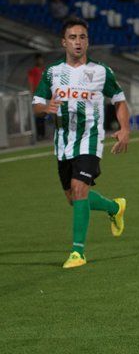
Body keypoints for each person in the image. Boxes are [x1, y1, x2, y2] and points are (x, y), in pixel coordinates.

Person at [31, 17, 130, 269]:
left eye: (82, 37)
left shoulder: (100, 71)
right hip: (63, 143)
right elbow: (36, 105)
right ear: (64, 42)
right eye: (73, 37)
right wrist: (46, 107)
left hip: (90, 139)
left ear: (88, 41)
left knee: (79, 188)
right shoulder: (53, 72)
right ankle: (114, 207)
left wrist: (125, 128)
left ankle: (78, 252)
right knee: (74, 199)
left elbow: (118, 99)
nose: (78, 42)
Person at [27, 54, 46, 140]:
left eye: (41, 59)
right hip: (37, 95)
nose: (41, 61)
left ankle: (43, 134)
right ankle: (39, 135)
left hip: (45, 95)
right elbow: (31, 83)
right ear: (36, 61)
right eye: (39, 60)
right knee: (38, 115)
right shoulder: (33, 71)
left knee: (45, 115)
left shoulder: (44, 70)